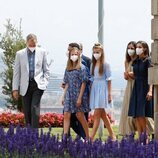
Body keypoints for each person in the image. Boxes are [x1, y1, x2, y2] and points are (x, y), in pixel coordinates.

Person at [12, 34, 50, 128]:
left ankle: (34, 133)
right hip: (25, 86)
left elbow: (46, 70)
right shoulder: (20, 54)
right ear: (27, 42)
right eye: (31, 43)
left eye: (34, 43)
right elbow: (16, 72)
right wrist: (15, 89)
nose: (33, 45)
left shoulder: (42, 52)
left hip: (38, 85)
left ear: (36, 42)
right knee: (27, 110)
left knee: (34, 108)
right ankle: (29, 133)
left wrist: (44, 82)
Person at [62, 43, 91, 139]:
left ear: (78, 55)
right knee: (66, 114)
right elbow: (67, 83)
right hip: (69, 94)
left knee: (80, 116)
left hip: (79, 94)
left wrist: (80, 98)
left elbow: (84, 82)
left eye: (75, 54)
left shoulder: (82, 68)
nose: (74, 56)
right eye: (72, 54)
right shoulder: (68, 68)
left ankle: (88, 137)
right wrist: (63, 96)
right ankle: (65, 138)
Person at [90, 43, 116, 140]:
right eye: (94, 52)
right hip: (95, 89)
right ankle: (112, 135)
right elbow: (92, 79)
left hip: (103, 89)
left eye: (98, 52)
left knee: (97, 114)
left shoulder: (106, 65)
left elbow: (109, 79)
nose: (96, 54)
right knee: (103, 115)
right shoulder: (92, 64)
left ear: (102, 53)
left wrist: (109, 94)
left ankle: (91, 137)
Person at [128, 41, 154, 136]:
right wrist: (131, 75)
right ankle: (141, 138)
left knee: (141, 114)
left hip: (144, 88)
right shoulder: (136, 61)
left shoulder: (148, 61)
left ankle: (145, 137)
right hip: (136, 88)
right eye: (137, 47)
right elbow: (137, 75)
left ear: (145, 49)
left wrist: (150, 91)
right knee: (136, 115)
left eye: (139, 47)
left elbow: (150, 77)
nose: (137, 49)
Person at [119, 41, 137, 135]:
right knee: (127, 108)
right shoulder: (127, 61)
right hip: (129, 86)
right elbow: (127, 77)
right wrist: (126, 75)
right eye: (128, 48)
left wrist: (132, 75)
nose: (130, 50)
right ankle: (129, 132)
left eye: (132, 48)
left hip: (136, 86)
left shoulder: (138, 61)